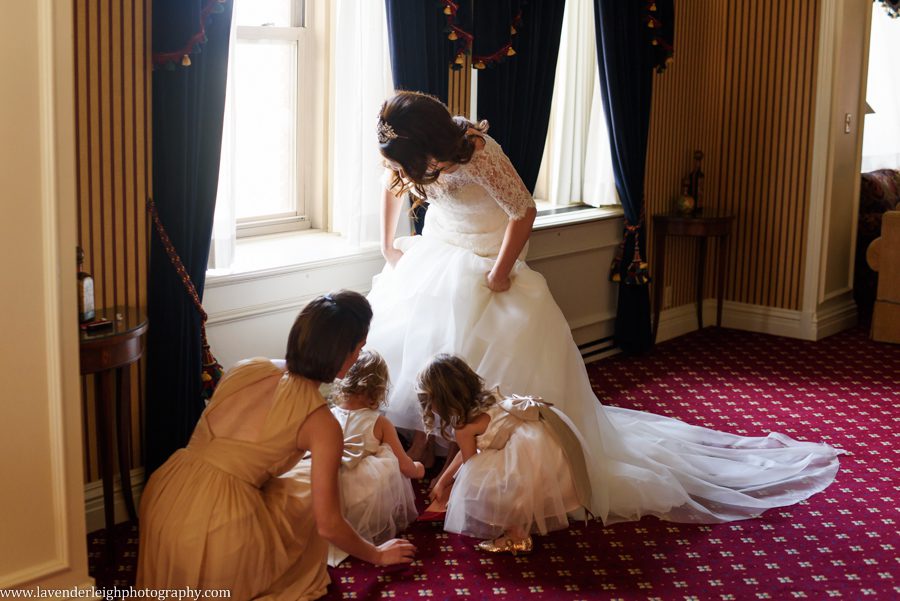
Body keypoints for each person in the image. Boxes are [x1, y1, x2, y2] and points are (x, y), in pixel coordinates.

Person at [366, 90, 843, 527]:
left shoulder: (476, 149)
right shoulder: (410, 155)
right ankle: (430, 440)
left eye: (411, 163)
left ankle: (489, 448)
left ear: (431, 138)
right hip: (438, 250)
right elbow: (394, 185)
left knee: (478, 354)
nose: (409, 173)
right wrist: (388, 245)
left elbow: (523, 210)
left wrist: (501, 271)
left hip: (488, 258)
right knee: (422, 345)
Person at [137, 291, 416, 601]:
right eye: (358, 348)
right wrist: (376, 554)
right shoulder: (322, 424)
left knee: (299, 480)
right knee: (315, 487)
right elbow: (330, 524)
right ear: (344, 356)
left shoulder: (245, 367)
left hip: (166, 493)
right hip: (217, 524)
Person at [418, 354, 593, 554]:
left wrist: (453, 489)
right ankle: (534, 511)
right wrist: (443, 481)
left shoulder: (464, 428)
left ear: (439, 402)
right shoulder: (490, 396)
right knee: (493, 471)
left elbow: (471, 467)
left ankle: (517, 536)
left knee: (478, 482)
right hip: (545, 441)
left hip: (526, 454)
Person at [284, 350, 424, 567]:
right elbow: (404, 466)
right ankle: (368, 528)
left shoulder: (327, 414)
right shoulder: (380, 422)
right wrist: (418, 468)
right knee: (388, 460)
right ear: (379, 390)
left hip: (326, 491)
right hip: (362, 500)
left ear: (343, 385)